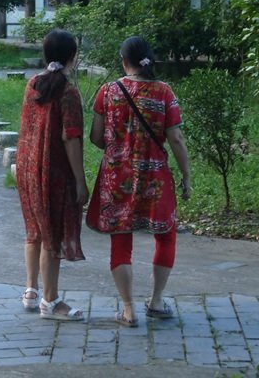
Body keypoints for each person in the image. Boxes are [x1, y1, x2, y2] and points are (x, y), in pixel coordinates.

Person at [87, 36, 191, 327]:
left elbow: (95, 137)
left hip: (116, 176)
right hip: (155, 177)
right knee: (165, 234)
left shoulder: (107, 91)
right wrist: (186, 175)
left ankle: (129, 309)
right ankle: (156, 301)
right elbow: (176, 138)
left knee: (121, 238)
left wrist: (119, 148)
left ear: (123, 61)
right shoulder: (164, 92)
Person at [15, 28, 88, 321]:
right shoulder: (68, 92)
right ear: (72, 57)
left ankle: (31, 291)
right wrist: (80, 180)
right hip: (52, 173)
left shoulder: (33, 84)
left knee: (34, 230)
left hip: (27, 169)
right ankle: (51, 301)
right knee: (51, 236)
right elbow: (71, 138)